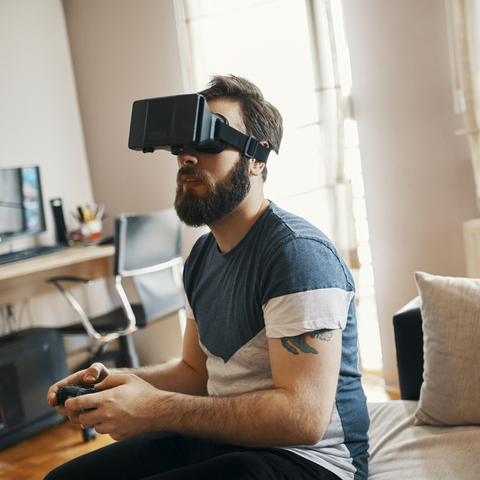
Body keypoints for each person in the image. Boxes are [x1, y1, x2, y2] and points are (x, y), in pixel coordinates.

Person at [45, 75, 369, 480]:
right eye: (181, 147)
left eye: (210, 141)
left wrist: (152, 408)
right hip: (225, 438)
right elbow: (195, 373)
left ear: (257, 158)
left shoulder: (297, 254)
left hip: (311, 461)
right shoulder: (201, 254)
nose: (187, 159)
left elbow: (301, 419)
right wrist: (120, 381)